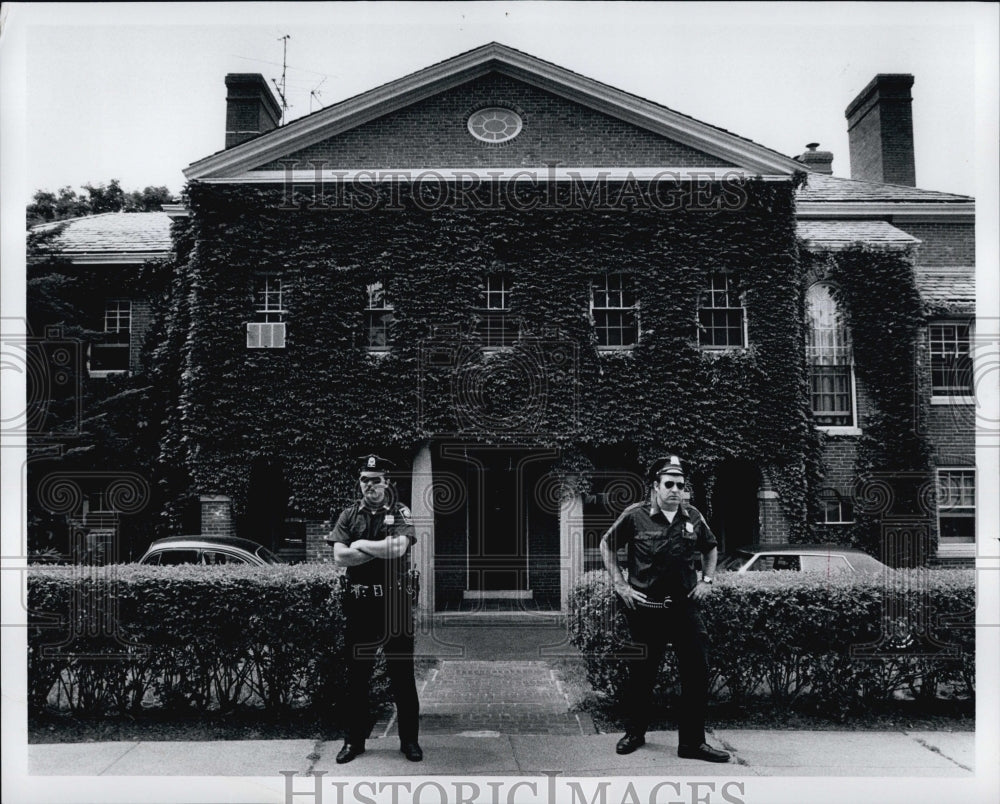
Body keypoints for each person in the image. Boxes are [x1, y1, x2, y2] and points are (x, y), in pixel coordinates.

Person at [599, 454, 730, 762]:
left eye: (680, 485)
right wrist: (620, 584)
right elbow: (607, 544)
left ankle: (692, 743)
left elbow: (710, 547)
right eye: (669, 484)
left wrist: (707, 580)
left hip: (684, 608)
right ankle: (634, 733)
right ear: (655, 486)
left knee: (696, 672)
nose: (675, 490)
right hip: (647, 609)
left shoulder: (693, 516)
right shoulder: (635, 515)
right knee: (642, 674)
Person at [326, 454, 422, 763]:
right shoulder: (348, 515)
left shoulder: (400, 512)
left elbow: (398, 547)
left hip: (395, 606)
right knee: (357, 677)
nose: (370, 485)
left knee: (402, 677)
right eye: (365, 480)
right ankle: (353, 742)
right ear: (360, 483)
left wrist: (359, 545)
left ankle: (409, 742)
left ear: (386, 483)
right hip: (361, 605)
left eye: (376, 480)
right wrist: (377, 549)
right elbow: (339, 557)